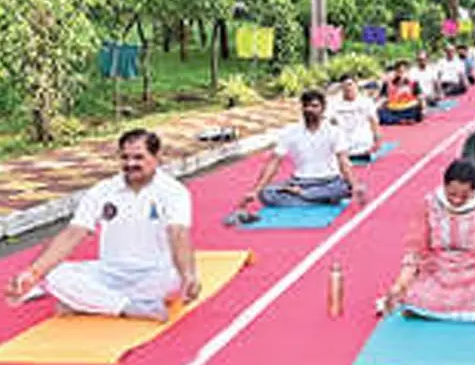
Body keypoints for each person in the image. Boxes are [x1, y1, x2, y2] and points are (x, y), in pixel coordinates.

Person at [5, 129, 198, 322]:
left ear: (157, 158)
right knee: (54, 275)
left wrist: (189, 275)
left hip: (154, 274)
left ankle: (92, 303)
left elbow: (178, 233)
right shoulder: (103, 190)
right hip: (109, 272)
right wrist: (32, 274)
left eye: (139, 157)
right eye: (125, 157)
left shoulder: (173, 192)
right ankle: (128, 307)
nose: (131, 164)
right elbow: (74, 233)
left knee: (175, 280)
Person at [381, 160, 475, 324]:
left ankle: (445, 314)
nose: (457, 201)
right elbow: (415, 252)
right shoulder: (429, 204)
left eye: (464, 196)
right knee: (414, 296)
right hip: (437, 269)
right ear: (443, 186)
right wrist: (400, 285)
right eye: (451, 194)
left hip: (473, 269)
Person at [243, 90, 366, 207]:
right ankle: (316, 198)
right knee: (266, 194)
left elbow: (343, 161)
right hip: (300, 182)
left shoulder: (334, 132)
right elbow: (274, 162)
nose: (309, 110)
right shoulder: (290, 131)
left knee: (343, 188)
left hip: (329, 181)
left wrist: (354, 185)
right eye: (306, 106)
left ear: (323, 109)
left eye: (314, 106)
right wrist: (255, 190)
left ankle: (300, 195)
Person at [329, 76, 382, 161]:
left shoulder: (366, 102)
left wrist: (377, 139)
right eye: (344, 86)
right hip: (343, 140)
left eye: (350, 85)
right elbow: (329, 122)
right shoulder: (334, 103)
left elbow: (374, 121)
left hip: (362, 140)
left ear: (356, 85)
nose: (348, 88)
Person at [377, 60, 424, 125]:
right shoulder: (388, 83)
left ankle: (399, 120)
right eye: (398, 72)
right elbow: (383, 97)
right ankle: (401, 121)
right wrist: (378, 105)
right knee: (380, 113)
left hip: (409, 109)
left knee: (417, 110)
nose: (401, 74)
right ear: (395, 72)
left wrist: (422, 109)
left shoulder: (414, 83)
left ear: (407, 72)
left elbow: (420, 97)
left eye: (403, 72)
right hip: (393, 109)